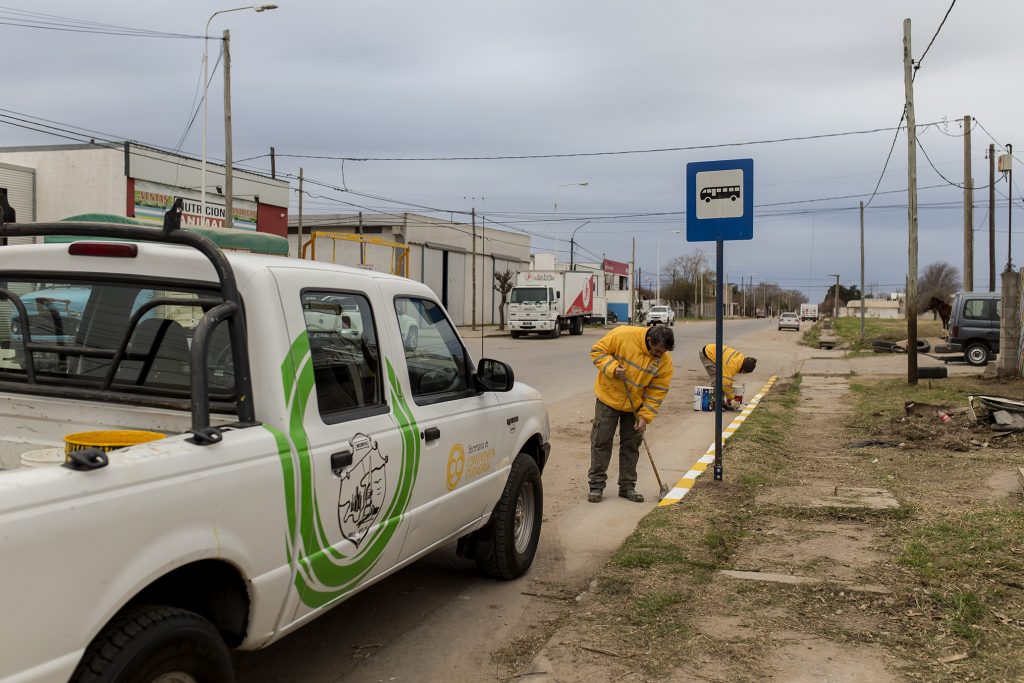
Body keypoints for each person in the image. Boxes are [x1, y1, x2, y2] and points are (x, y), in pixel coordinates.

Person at [587, 324, 674, 503]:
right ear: (650, 340)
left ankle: (627, 487)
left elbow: (657, 392)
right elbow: (597, 351)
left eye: (663, 352)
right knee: (601, 441)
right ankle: (596, 486)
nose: (659, 356)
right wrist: (612, 368)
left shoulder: (664, 360)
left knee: (632, 445)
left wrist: (644, 417)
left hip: (635, 405)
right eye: (657, 351)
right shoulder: (623, 334)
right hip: (608, 398)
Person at [698, 343, 756, 409]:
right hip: (708, 356)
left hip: (712, 350)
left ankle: (720, 402)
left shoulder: (739, 359)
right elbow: (726, 384)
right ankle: (715, 404)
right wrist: (732, 399)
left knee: (721, 379)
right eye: (744, 372)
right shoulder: (732, 366)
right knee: (717, 379)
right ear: (743, 370)